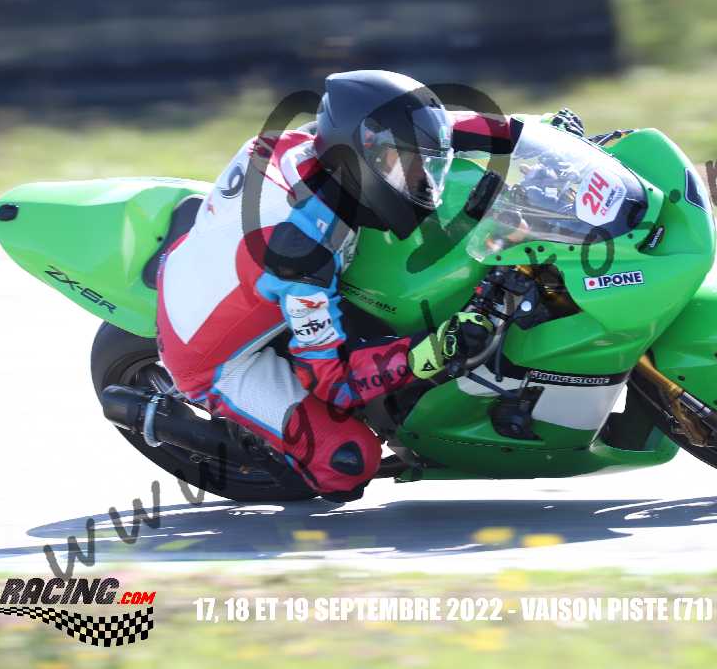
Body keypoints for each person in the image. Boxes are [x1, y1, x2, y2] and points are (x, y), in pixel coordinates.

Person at [154, 69, 582, 501]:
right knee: (349, 464)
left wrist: (539, 136)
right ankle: (174, 422)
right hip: (215, 358)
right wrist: (432, 352)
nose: (424, 178)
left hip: (230, 262)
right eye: (407, 165)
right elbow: (332, 381)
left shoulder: (326, 147)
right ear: (365, 156)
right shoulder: (302, 249)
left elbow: (441, 130)